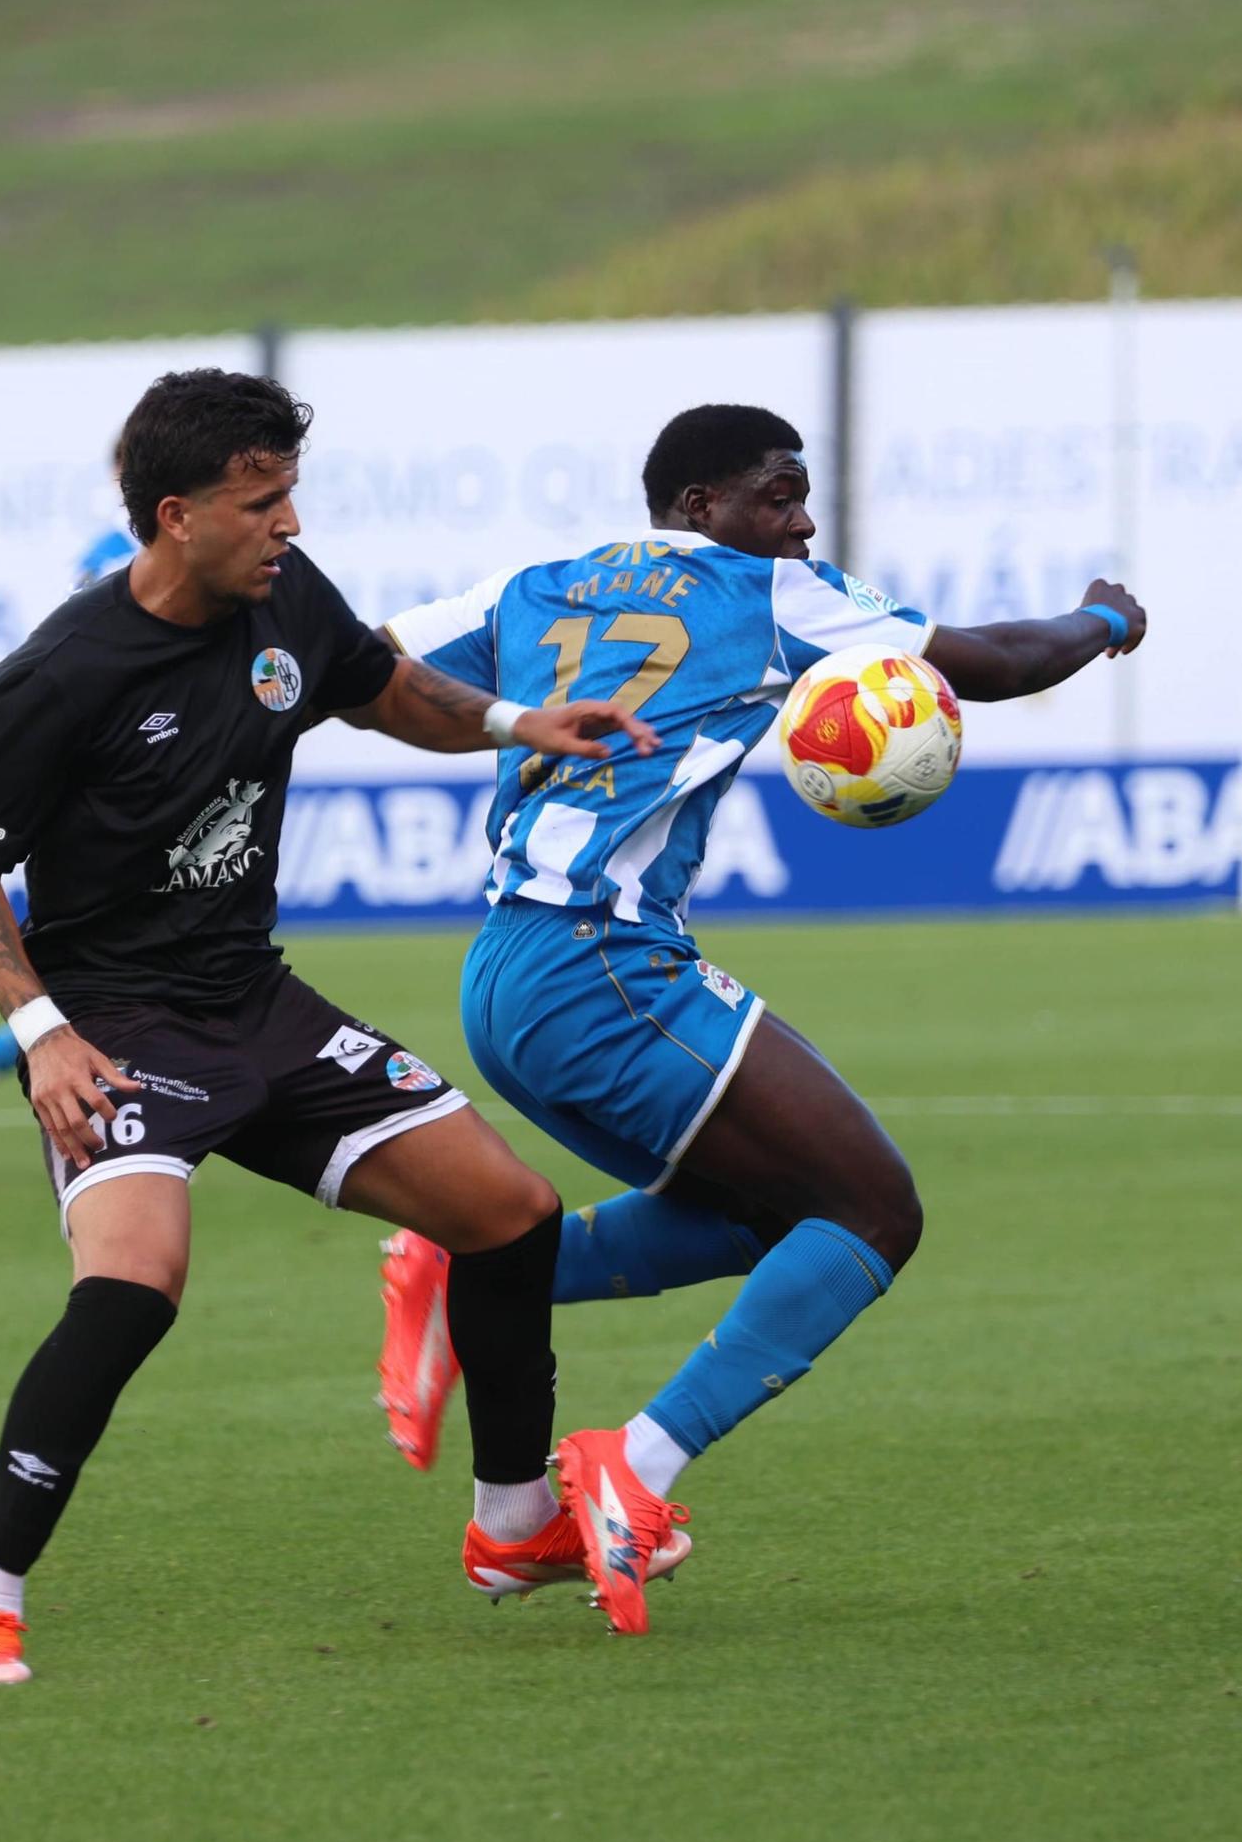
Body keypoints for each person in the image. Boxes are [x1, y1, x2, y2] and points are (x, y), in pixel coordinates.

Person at [0, 369, 671, 1685]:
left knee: (509, 1212)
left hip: (255, 1003)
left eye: (290, 495)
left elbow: (379, 685)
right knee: (134, 1286)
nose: (290, 525)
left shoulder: (283, 601)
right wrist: (40, 1033)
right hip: (119, 1025)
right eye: (261, 502)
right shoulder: (60, 674)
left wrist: (513, 722)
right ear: (174, 515)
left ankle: (510, 1527)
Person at [373, 402, 1147, 1635]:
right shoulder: (766, 591)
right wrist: (1107, 617)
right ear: (700, 508)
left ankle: (466, 1256)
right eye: (777, 495)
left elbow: (372, 672)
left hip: (505, 971)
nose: (801, 520)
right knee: (874, 1210)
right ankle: (638, 1461)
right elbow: (994, 662)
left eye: (801, 497)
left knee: (778, 1213)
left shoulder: (535, 582)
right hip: (603, 967)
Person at [0, 438, 136, 1163]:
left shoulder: (103, 547)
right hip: (110, 773)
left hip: (101, 763)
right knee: (117, 946)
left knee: (125, 947)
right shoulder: (125, 554)